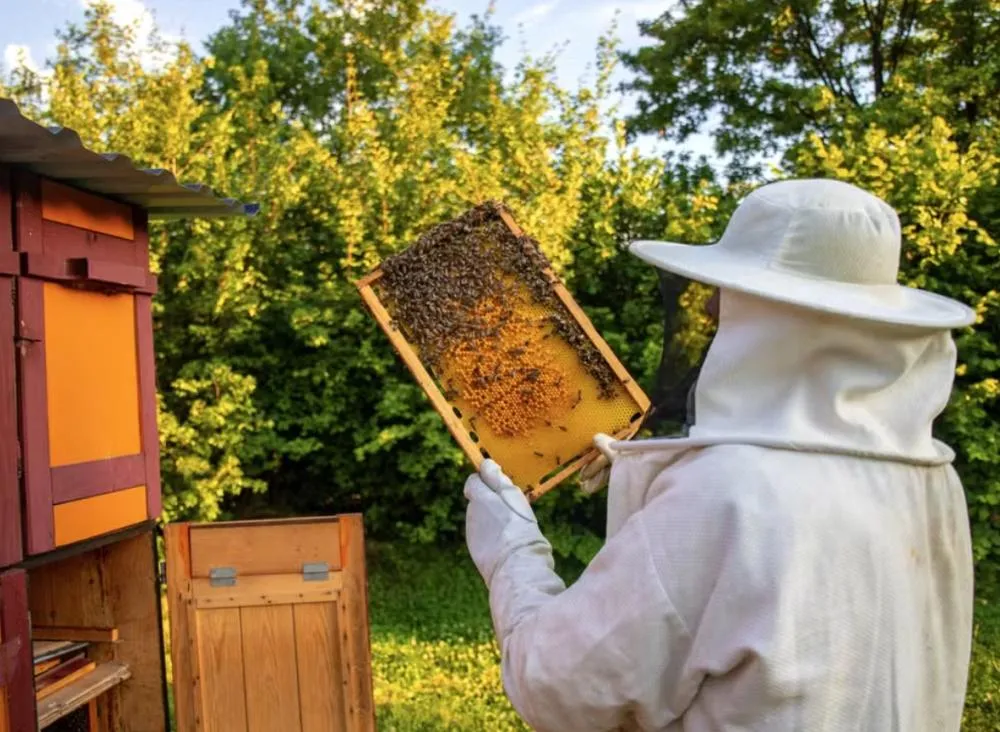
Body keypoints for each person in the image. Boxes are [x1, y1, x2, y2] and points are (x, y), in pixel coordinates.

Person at [462, 179, 976, 732]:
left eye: (728, 290)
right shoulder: (934, 482)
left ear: (775, 316)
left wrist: (511, 550)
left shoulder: (725, 495)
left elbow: (556, 685)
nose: (709, 304)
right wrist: (648, 470)